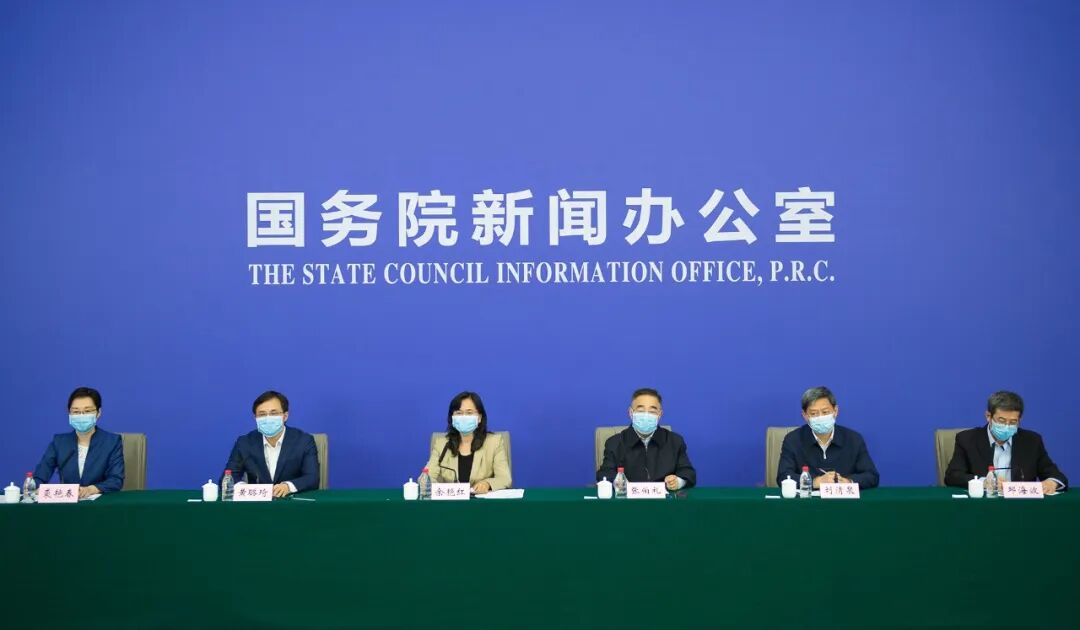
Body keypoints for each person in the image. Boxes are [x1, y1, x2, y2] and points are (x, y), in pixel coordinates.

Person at [944, 390, 1067, 493]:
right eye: (1001, 421)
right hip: (982, 506)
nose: (1007, 426)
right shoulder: (967, 439)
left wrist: (1052, 482)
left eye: (1013, 422)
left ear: (1019, 420)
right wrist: (985, 482)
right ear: (988, 416)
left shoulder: (1032, 441)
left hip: (1021, 508)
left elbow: (1056, 475)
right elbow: (953, 476)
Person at [776, 386, 879, 488]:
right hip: (809, 498)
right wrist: (814, 482)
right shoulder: (793, 440)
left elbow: (871, 476)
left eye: (825, 412)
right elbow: (783, 476)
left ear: (835, 411)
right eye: (814, 413)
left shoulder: (854, 439)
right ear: (805, 415)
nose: (820, 417)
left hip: (843, 497)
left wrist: (848, 482)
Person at [223, 390, 320, 497]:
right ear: (255, 418)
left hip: (292, 502)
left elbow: (312, 478)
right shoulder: (245, 442)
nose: (268, 418)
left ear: (285, 416)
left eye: (274, 413)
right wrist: (245, 489)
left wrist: (288, 486)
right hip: (257, 503)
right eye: (262, 414)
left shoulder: (303, 441)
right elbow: (227, 477)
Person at [33, 386, 125, 497]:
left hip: (100, 502)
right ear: (69, 413)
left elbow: (116, 480)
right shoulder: (59, 442)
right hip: (68, 503)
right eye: (76, 412)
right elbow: (39, 477)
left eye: (87, 411)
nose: (81, 416)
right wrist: (34, 487)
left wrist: (92, 489)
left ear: (98, 412)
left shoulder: (111, 442)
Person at [596, 387, 696, 490]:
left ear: (659, 415)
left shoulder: (675, 441)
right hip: (627, 497)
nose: (646, 415)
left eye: (652, 411)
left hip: (664, 498)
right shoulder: (615, 443)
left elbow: (688, 472)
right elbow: (605, 473)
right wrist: (619, 483)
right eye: (640, 410)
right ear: (630, 413)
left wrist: (678, 481)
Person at [424, 391, 511, 494]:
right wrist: (437, 488)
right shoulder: (441, 444)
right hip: (451, 502)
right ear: (452, 418)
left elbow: (505, 478)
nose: (464, 417)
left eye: (469, 413)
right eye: (459, 413)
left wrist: (487, 484)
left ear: (479, 417)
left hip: (481, 502)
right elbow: (426, 479)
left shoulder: (494, 442)